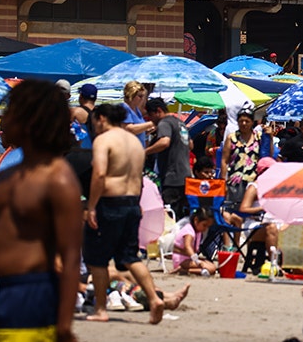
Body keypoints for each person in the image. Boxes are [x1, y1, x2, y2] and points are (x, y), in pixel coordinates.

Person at [0, 79, 83, 342]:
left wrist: (64, 328)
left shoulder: (59, 179)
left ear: (32, 120)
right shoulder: (7, 176)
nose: (3, 120)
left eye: (10, 113)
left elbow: (70, 259)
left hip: (28, 297)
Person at [84, 103, 169, 324]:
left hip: (110, 203)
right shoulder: (134, 142)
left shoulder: (103, 140)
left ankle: (101, 309)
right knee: (130, 256)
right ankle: (154, 298)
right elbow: (139, 178)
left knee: (97, 257)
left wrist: (91, 206)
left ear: (101, 118)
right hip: (133, 203)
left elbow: (100, 174)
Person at [144, 97, 191, 220]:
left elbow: (164, 142)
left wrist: (145, 152)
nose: (151, 120)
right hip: (186, 176)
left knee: (170, 215)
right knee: (181, 215)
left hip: (172, 177)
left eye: (150, 116)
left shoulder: (164, 123)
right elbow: (190, 144)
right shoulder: (180, 123)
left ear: (158, 111)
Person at [221, 108, 262, 202]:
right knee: (233, 209)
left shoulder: (259, 137)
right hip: (234, 181)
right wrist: (223, 181)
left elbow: (266, 156)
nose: (244, 124)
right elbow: (224, 160)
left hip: (253, 181)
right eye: (241, 121)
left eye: (247, 121)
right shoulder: (232, 137)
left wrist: (270, 138)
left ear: (252, 122)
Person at [171, 208, 218, 276]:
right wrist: (196, 260)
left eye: (207, 227)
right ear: (196, 220)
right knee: (210, 268)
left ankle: (187, 270)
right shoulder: (189, 232)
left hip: (189, 258)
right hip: (182, 260)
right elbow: (187, 247)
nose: (205, 229)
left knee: (212, 266)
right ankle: (184, 270)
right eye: (204, 225)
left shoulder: (197, 232)